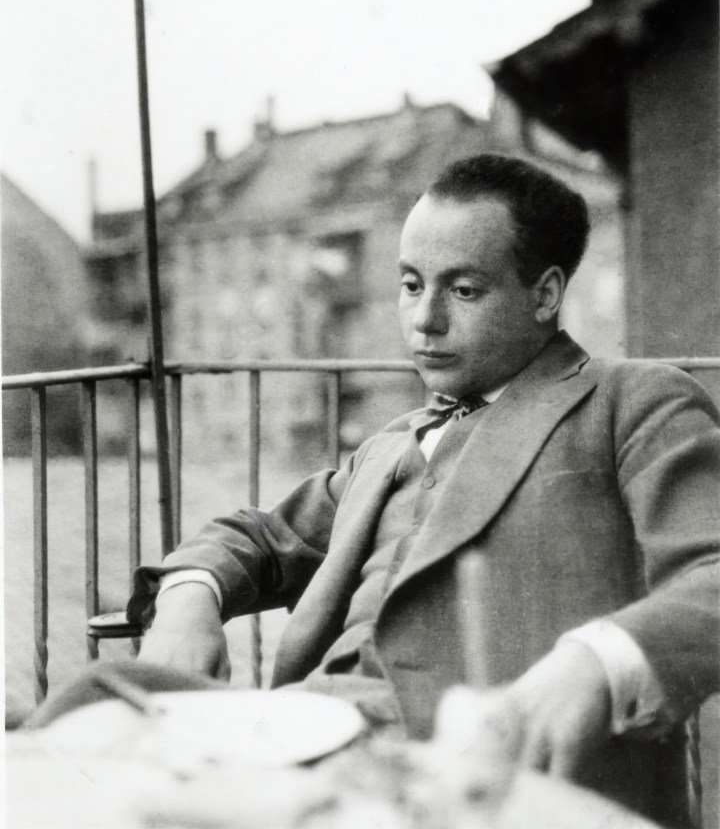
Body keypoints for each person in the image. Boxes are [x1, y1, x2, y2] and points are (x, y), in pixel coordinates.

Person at [127, 154, 719, 827]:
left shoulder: (630, 403)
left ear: (546, 295)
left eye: (463, 291)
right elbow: (259, 536)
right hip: (309, 752)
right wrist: (189, 596)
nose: (424, 320)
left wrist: (597, 661)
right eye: (411, 285)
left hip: (477, 784)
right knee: (91, 718)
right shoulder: (391, 445)